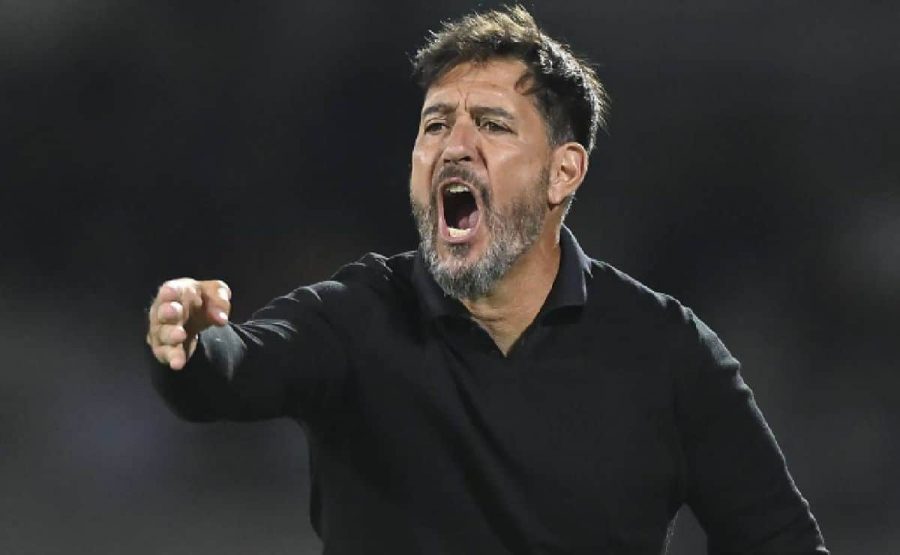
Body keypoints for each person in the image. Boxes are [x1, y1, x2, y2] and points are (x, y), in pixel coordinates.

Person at [146, 6, 828, 554]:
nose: (454, 146)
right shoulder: (361, 315)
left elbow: (779, 540)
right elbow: (233, 370)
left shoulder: (667, 350)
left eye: (493, 126)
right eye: (436, 124)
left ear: (563, 172)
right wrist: (192, 342)